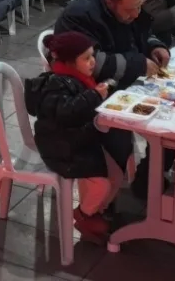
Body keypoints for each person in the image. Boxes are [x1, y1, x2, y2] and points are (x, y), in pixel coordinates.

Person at [25, 31, 133, 243]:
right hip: (60, 147)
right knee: (101, 183)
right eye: (86, 58)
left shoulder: (78, 78)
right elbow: (68, 112)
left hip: (77, 140)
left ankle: (95, 212)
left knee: (117, 173)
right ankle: (84, 215)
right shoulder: (55, 84)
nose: (93, 62)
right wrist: (95, 95)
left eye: (93, 56)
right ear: (69, 61)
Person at [54, 0, 169, 85]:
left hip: (123, 77)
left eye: (139, 7)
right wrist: (138, 65)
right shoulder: (79, 16)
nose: (136, 14)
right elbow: (92, 63)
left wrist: (154, 46)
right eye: (129, 10)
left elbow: (143, 32)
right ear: (109, 3)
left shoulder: (129, 5)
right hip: (89, 86)